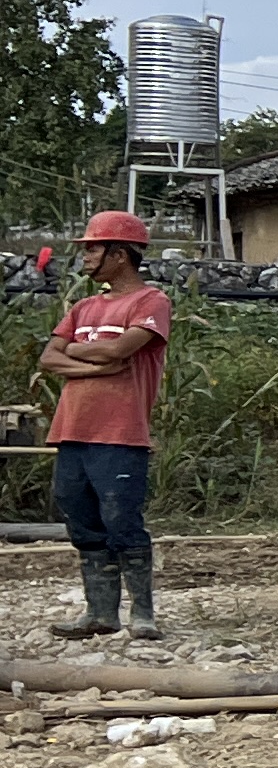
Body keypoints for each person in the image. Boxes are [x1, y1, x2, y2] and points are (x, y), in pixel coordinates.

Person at [38, 211, 172, 639]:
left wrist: (79, 352)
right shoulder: (83, 307)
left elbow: (119, 350)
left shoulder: (151, 302)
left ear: (120, 254)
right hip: (72, 429)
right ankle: (100, 613)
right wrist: (94, 366)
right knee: (79, 517)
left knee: (122, 519)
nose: (86, 257)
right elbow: (49, 357)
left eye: (93, 249)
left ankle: (143, 615)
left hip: (120, 433)